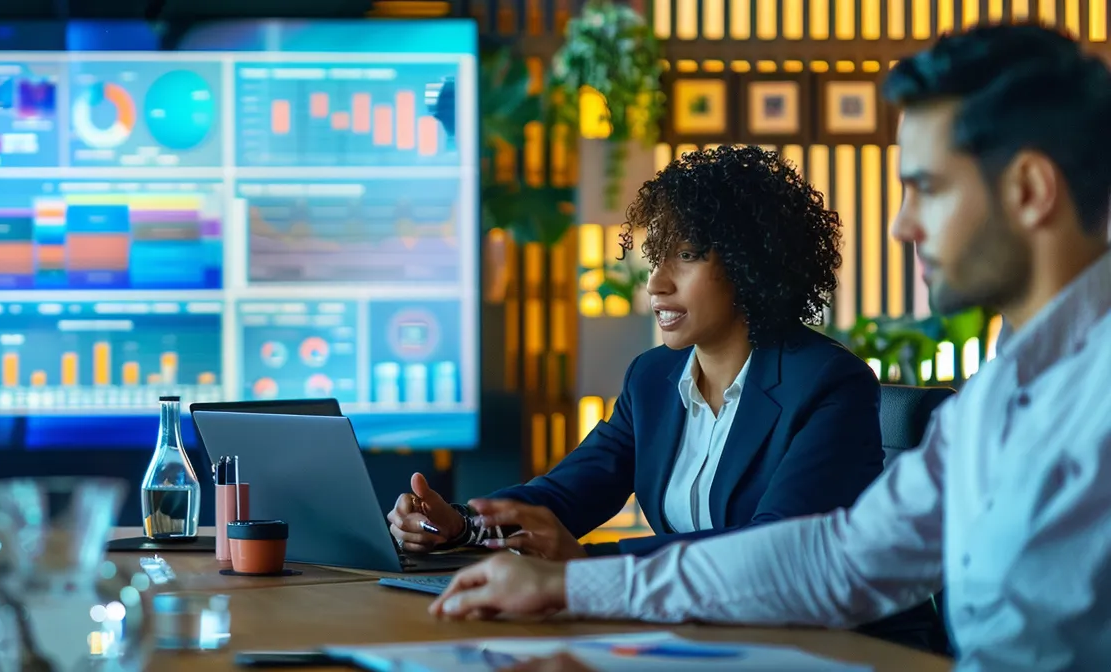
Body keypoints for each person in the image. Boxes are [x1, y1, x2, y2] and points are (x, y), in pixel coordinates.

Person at [428, 24, 1111, 671]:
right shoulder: (1000, 392)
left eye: (926, 189)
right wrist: (567, 584)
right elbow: (840, 561)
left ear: (1029, 190)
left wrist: (577, 576)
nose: (901, 225)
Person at [390, 145, 882, 562]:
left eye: (686, 257)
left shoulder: (828, 383)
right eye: (655, 257)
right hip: (695, 634)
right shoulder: (653, 378)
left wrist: (590, 563)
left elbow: (776, 550)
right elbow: (564, 496)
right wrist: (459, 524)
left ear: (751, 264)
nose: (655, 283)